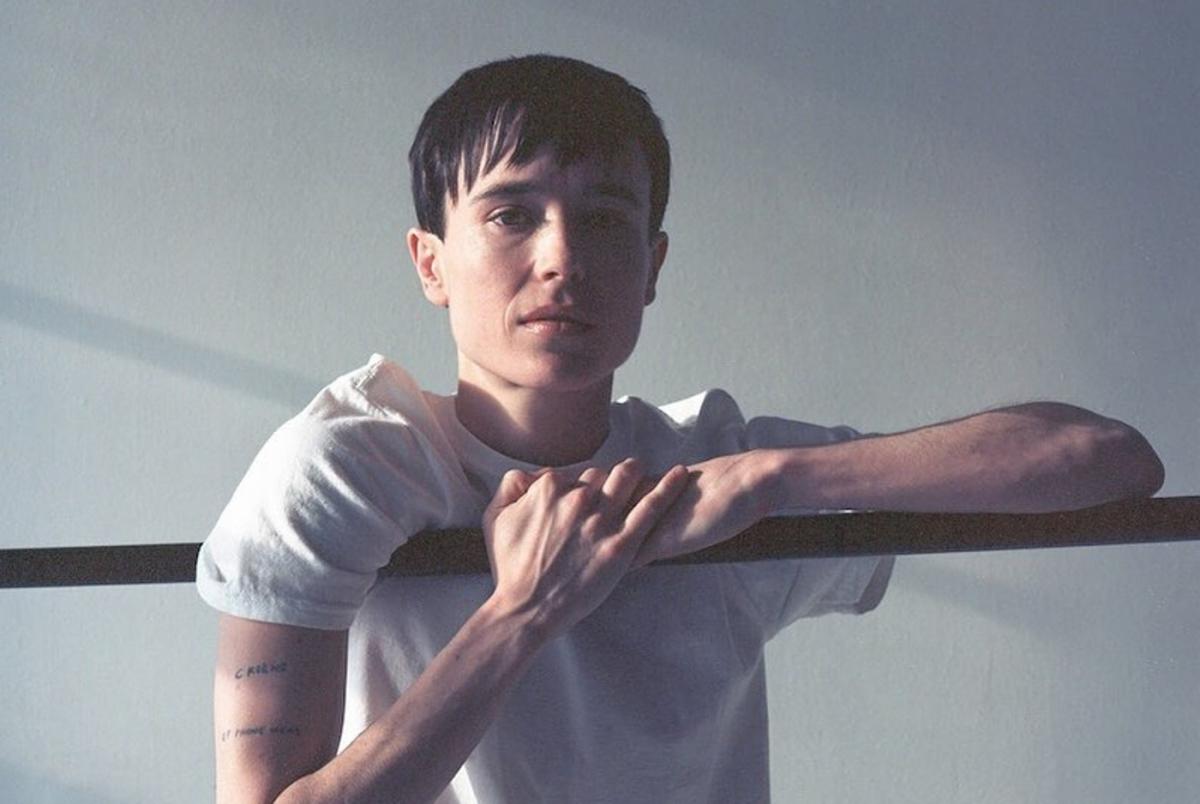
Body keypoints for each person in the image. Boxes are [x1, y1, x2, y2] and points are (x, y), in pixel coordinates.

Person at [196, 54, 1164, 804]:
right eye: (511, 215)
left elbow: (1109, 461)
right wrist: (523, 611)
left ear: (653, 266)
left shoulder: (711, 464)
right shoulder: (348, 468)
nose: (562, 258)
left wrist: (776, 478)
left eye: (605, 219)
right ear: (431, 263)